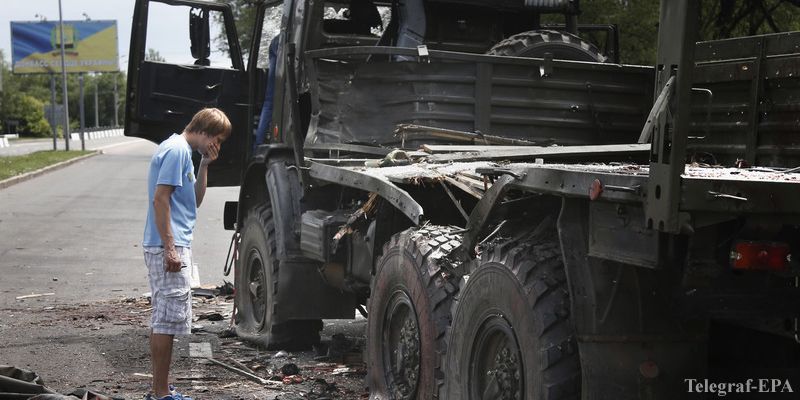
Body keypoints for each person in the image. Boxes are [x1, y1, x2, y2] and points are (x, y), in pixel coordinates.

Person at [142, 108, 231, 400]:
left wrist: (205, 164)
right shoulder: (177, 150)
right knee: (166, 321)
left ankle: (162, 390)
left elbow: (193, 202)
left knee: (168, 318)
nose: (217, 145)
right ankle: (160, 394)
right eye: (216, 139)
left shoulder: (186, 153)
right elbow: (161, 199)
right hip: (169, 244)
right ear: (204, 131)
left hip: (175, 242)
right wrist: (169, 247)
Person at [254, 35, 280, 150]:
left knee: (270, 101)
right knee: (272, 100)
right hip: (287, 40)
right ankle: (259, 145)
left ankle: (258, 146)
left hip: (282, 39)